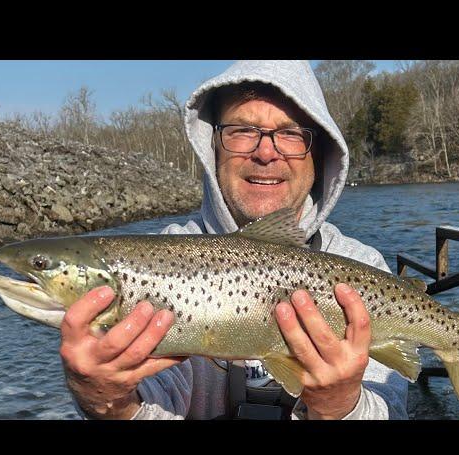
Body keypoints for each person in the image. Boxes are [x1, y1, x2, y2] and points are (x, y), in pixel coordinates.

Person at [60, 60, 408, 420]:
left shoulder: (363, 267)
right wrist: (109, 404)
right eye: (243, 130)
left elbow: (392, 412)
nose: (266, 152)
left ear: (318, 155)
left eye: (290, 133)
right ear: (213, 147)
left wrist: (340, 407)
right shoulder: (157, 268)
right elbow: (148, 405)